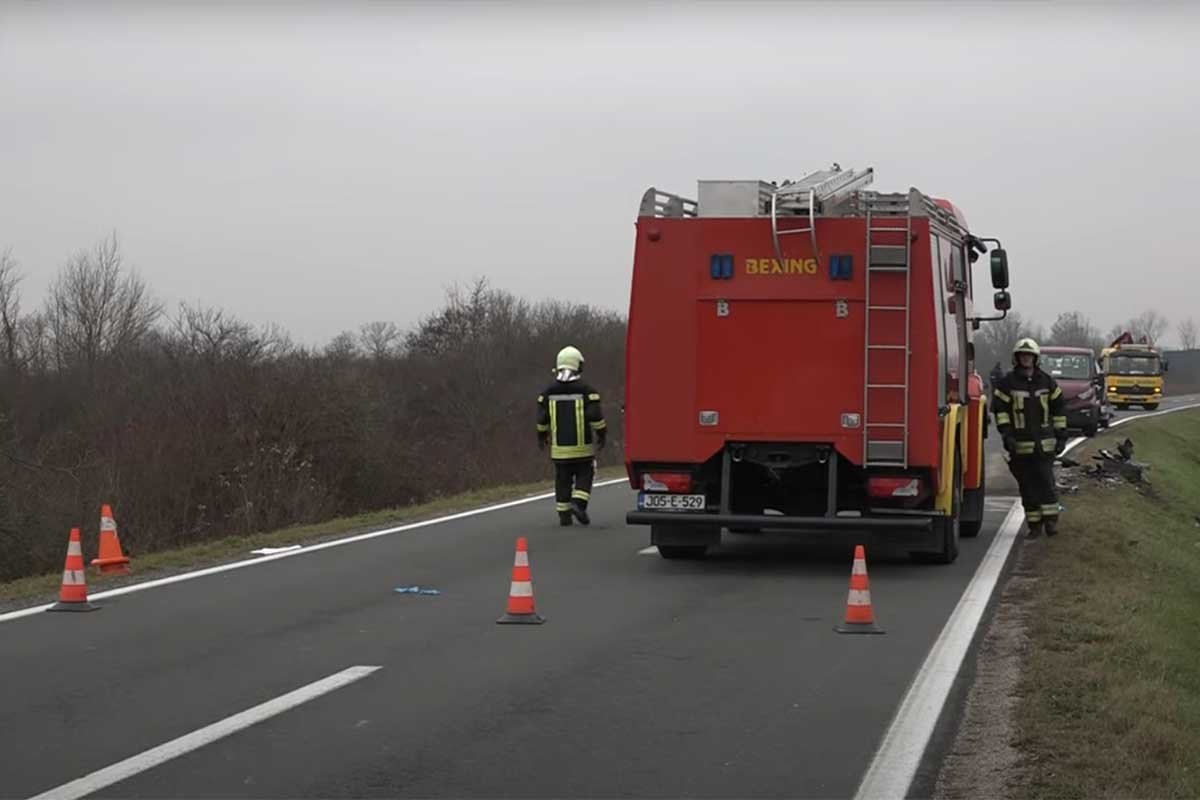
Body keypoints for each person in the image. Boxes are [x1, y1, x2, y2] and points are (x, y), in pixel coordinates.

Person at [991, 338, 1068, 538]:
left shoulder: (1047, 381)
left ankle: (1051, 522)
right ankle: (1034, 525)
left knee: (1046, 484)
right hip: (1019, 446)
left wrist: (1061, 437)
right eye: (1023, 356)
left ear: (1036, 358)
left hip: (1045, 445)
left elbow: (1059, 409)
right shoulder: (1007, 383)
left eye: (1029, 356)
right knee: (1027, 487)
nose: (1026, 359)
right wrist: (1007, 436)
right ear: (1017, 358)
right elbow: (1000, 411)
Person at [536, 346, 607, 526]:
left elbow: (542, 419)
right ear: (578, 365)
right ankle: (579, 504)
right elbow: (595, 416)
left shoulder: (547, 392)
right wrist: (602, 433)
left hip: (559, 450)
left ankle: (563, 514)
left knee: (562, 479)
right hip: (582, 448)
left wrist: (541, 436)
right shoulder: (587, 390)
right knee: (585, 474)